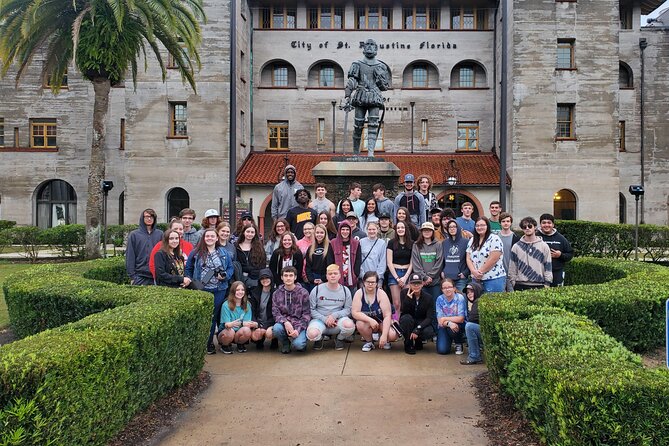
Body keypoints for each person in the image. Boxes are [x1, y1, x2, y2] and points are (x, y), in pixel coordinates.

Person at [185, 227, 235, 355]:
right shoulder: (196, 253)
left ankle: (209, 342)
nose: (210, 238)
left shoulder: (223, 253)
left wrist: (225, 276)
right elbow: (189, 268)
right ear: (204, 238)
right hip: (201, 289)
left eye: (212, 236)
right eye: (207, 236)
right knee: (203, 316)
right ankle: (200, 342)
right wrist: (190, 281)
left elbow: (230, 268)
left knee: (213, 316)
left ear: (217, 238)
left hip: (219, 288)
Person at [343, 39, 392, 157]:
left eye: (372, 45)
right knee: (358, 125)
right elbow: (352, 80)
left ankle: (371, 153)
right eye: (367, 45)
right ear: (364, 48)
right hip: (361, 95)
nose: (369, 47)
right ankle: (355, 153)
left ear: (376, 49)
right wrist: (347, 95)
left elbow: (384, 86)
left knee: (373, 124)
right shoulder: (357, 63)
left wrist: (380, 78)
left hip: (374, 96)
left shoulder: (381, 66)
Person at [307, 265, 355, 351]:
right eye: (330, 274)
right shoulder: (317, 289)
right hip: (320, 320)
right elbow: (311, 310)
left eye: (335, 273)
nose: (333, 275)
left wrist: (334, 316)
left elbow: (348, 309)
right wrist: (325, 319)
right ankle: (319, 339)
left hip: (337, 321)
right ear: (326, 276)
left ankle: (339, 338)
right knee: (312, 334)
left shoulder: (345, 290)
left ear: (340, 275)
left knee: (349, 325)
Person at [351, 271, 398, 351]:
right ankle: (369, 342)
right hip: (367, 323)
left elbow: (387, 315)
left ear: (376, 283)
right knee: (359, 324)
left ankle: (386, 340)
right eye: (368, 282)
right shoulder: (359, 293)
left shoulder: (381, 294)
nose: (370, 284)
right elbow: (355, 313)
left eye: (373, 282)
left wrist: (384, 335)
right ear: (363, 282)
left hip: (382, 322)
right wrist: (370, 320)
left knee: (392, 335)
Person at [271, 266, 311, 354]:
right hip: (285, 323)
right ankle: (285, 343)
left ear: (295, 277)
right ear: (282, 277)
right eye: (285, 275)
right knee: (276, 328)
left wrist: (298, 330)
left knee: (299, 345)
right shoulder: (276, 293)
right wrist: (285, 322)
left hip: (299, 324)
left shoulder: (303, 293)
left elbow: (307, 315)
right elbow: (275, 312)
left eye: (291, 275)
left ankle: (299, 341)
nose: (288, 278)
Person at [509, 216, 553, 291]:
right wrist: (513, 281)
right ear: (522, 229)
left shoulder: (544, 246)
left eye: (530, 226)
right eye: (524, 227)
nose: (527, 228)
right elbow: (513, 266)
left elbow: (548, 266)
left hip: (539, 284)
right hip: (520, 284)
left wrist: (547, 283)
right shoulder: (516, 247)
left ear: (535, 227)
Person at [466, 217, 506, 293]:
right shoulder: (472, 240)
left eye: (482, 225)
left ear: (487, 226)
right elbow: (468, 258)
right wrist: (474, 271)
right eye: (477, 225)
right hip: (476, 279)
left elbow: (493, 259)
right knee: (477, 303)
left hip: (493, 278)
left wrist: (480, 272)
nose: (479, 227)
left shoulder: (495, 238)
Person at [217, 281, 257, 354]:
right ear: (233, 291)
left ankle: (240, 343)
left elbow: (247, 324)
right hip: (226, 331)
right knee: (230, 331)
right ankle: (225, 345)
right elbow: (227, 325)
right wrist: (241, 323)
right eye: (237, 290)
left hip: (239, 332)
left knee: (247, 330)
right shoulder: (226, 305)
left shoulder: (247, 305)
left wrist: (252, 324)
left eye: (242, 290)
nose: (240, 292)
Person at [399, 274, 435, 355]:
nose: (416, 285)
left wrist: (417, 329)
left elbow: (429, 318)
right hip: (409, 320)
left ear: (422, 284)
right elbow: (404, 312)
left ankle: (419, 340)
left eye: (418, 283)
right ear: (409, 284)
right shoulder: (404, 293)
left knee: (428, 331)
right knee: (406, 319)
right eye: (413, 283)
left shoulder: (428, 297)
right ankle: (409, 343)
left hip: (420, 321)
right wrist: (408, 299)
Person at [126, 209, 163, 285]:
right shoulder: (134, 235)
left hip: (156, 276)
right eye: (147, 217)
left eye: (151, 217)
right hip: (139, 275)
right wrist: (132, 276)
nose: (149, 219)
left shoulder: (160, 234)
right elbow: (130, 256)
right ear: (142, 218)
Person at [537, 213, 574, 287]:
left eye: (549, 223)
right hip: (538, 273)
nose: (546, 225)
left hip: (557, 273)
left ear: (553, 224)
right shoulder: (535, 237)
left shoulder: (561, 238)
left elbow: (570, 254)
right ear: (540, 224)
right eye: (544, 223)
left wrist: (560, 255)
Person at [387, 220, 414, 319]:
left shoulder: (412, 243)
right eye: (398, 228)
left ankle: (406, 325)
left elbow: (412, 262)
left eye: (402, 227)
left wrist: (405, 277)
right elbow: (389, 262)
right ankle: (396, 325)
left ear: (406, 229)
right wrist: (398, 278)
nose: (400, 229)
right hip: (394, 273)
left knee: (407, 302)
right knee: (396, 303)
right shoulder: (391, 243)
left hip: (407, 273)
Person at [326, 221, 362, 293]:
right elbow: (330, 261)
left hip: (352, 279)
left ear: (350, 231)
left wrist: (356, 273)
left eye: (347, 229)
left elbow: (358, 260)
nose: (345, 232)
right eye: (343, 229)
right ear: (339, 230)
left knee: (351, 301)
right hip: (337, 280)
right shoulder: (333, 243)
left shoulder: (356, 243)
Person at [411, 222, 444, 299]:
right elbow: (416, 264)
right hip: (421, 282)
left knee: (435, 305)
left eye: (429, 230)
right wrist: (424, 277)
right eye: (424, 230)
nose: (427, 232)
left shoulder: (438, 244)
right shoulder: (416, 245)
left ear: (433, 232)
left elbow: (439, 262)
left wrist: (429, 277)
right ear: (421, 232)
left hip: (435, 282)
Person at [435, 278, 466, 355]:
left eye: (449, 287)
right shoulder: (439, 299)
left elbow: (461, 318)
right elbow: (440, 321)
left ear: (454, 288)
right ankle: (448, 341)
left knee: (453, 329)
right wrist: (449, 323)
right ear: (441, 290)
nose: (447, 290)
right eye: (444, 288)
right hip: (445, 326)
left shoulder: (460, 298)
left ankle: (458, 343)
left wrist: (445, 318)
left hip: (458, 325)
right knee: (442, 350)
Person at [248, 269, 277, 350]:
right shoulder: (254, 293)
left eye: (267, 277)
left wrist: (264, 326)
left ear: (271, 278)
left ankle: (275, 340)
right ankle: (260, 339)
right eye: (262, 278)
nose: (265, 280)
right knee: (255, 337)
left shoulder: (276, 293)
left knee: (269, 333)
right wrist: (256, 323)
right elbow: (252, 311)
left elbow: (276, 313)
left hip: (271, 322)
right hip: (258, 322)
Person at [441, 219, 470, 292]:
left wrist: (465, 273)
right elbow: (442, 260)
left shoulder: (466, 242)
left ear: (458, 228)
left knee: (461, 299)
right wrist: (442, 271)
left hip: (460, 279)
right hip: (447, 278)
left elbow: (470, 260)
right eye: (450, 227)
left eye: (454, 226)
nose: (452, 229)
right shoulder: (444, 243)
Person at [235, 224, 267, 289]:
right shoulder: (236, 246)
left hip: (255, 278)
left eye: (252, 232)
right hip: (240, 278)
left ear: (255, 234)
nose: (250, 234)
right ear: (244, 232)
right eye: (248, 231)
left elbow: (263, 263)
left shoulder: (260, 247)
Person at [460, 282, 484, 365]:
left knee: (469, 326)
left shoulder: (478, 301)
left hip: (487, 333)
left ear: (477, 290)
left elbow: (472, 319)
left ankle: (474, 357)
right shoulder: (475, 301)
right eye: (467, 293)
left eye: (472, 291)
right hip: (484, 331)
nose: (469, 294)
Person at [359, 221, 387, 287]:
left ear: (378, 230)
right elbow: (359, 260)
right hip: (364, 277)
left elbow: (383, 261)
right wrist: (363, 275)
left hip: (377, 278)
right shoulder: (361, 242)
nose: (372, 231)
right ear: (366, 230)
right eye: (370, 229)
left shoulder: (382, 243)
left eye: (374, 229)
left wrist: (377, 276)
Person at [498, 212, 520, 291]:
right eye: (503, 221)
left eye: (508, 221)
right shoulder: (496, 237)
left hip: (512, 273)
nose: (506, 223)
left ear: (511, 223)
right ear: (500, 223)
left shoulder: (516, 238)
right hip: (499, 273)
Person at [305, 224, 330, 289]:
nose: (319, 235)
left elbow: (331, 264)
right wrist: (311, 279)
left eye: (321, 233)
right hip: (314, 278)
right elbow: (308, 266)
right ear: (314, 234)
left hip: (326, 278)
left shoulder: (330, 247)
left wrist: (323, 279)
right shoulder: (310, 248)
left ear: (325, 234)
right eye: (317, 232)